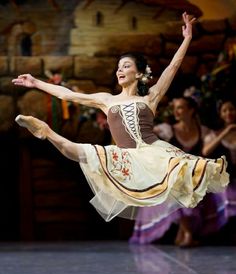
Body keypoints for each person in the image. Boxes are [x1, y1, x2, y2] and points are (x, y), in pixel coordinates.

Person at [12, 13, 229, 222]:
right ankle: (45, 130)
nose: (119, 70)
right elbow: (67, 94)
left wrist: (187, 39)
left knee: (194, 169)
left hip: (153, 153)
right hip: (124, 156)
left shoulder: (150, 97)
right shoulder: (106, 99)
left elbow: (172, 67)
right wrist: (36, 82)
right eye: (118, 68)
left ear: (139, 73)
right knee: (79, 152)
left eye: (125, 66)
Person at [129, 96, 210, 247]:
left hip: (194, 176)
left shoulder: (203, 131)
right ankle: (187, 233)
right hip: (172, 175)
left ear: (191, 110)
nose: (176, 112)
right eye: (174, 108)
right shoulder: (168, 130)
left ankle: (183, 232)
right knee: (175, 187)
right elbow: (143, 133)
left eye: (180, 108)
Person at [200, 99, 236, 237]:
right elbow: (206, 151)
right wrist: (225, 132)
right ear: (220, 114)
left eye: (231, 109)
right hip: (225, 179)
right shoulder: (215, 133)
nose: (229, 113)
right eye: (225, 110)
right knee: (227, 195)